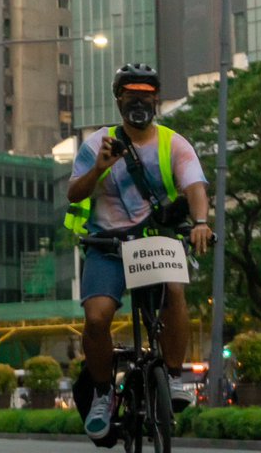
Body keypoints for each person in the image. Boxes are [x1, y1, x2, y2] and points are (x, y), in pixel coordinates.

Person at [67, 63, 212, 442]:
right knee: (97, 319)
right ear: (118, 101)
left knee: (175, 292)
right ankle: (102, 394)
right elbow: (74, 194)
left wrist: (200, 221)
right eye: (131, 95)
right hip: (108, 245)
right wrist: (99, 167)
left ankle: (173, 377)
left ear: (156, 101)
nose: (139, 102)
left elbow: (195, 186)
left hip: (155, 243)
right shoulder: (96, 143)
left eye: (146, 95)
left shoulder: (173, 143)